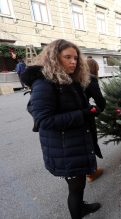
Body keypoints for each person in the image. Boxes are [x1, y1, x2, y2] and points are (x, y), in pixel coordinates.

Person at [21, 39, 101, 219]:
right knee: (75, 188)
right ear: (54, 58)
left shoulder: (68, 79)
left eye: (75, 57)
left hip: (73, 143)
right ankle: (77, 213)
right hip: (63, 148)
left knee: (78, 185)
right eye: (67, 57)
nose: (73, 61)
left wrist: (87, 111)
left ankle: (81, 207)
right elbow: (44, 120)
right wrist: (82, 114)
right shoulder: (44, 84)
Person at [85, 57, 106, 183]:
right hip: (85, 116)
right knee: (90, 142)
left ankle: (86, 171)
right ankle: (91, 172)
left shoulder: (74, 78)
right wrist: (95, 110)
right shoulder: (90, 80)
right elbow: (101, 102)